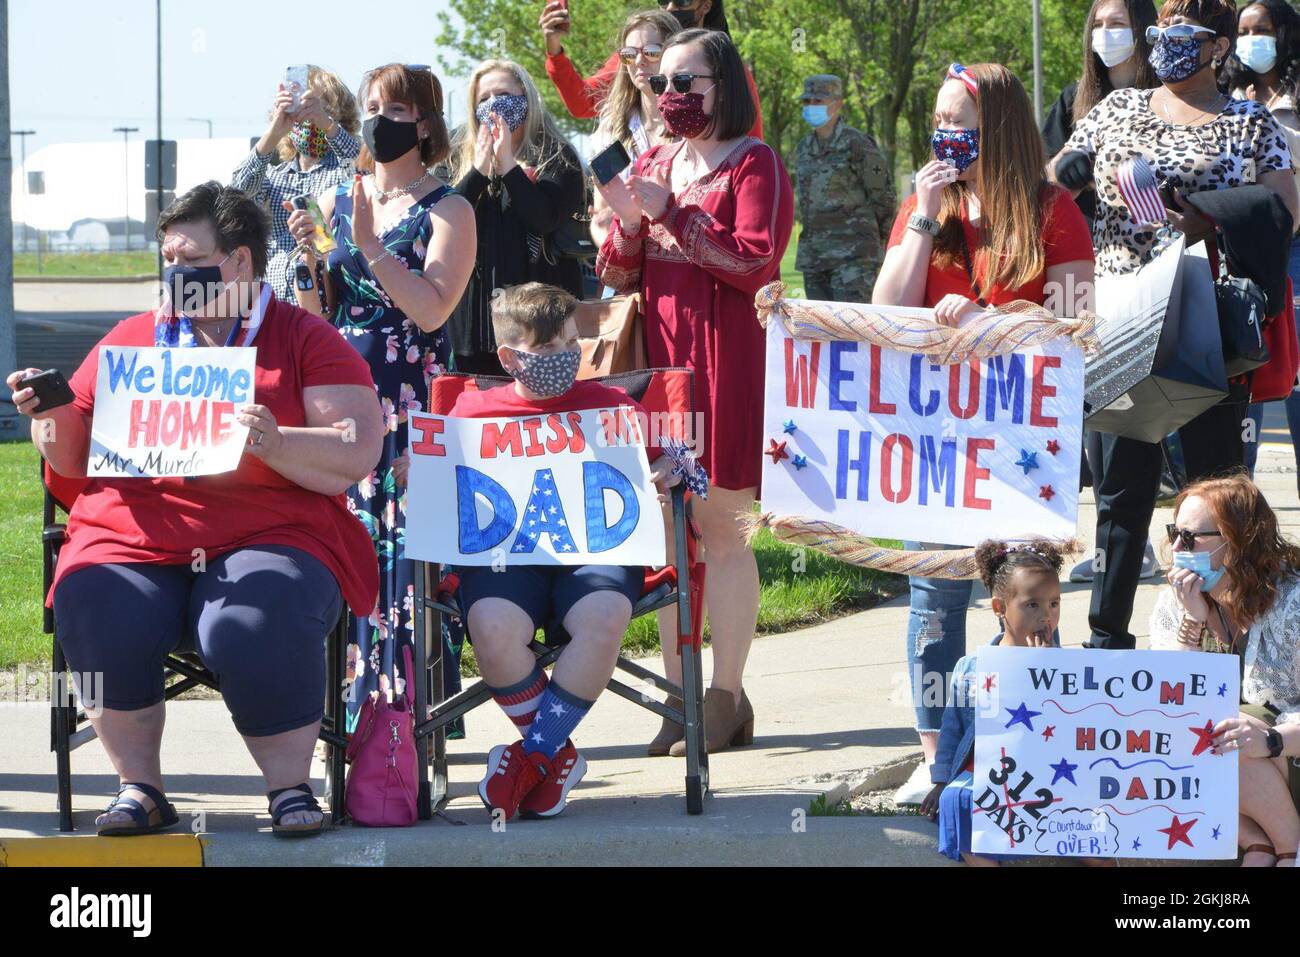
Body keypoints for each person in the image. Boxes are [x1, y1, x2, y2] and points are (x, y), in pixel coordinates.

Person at [6, 182, 383, 837]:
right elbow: (71, 457)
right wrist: (48, 414)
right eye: (167, 257)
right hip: (134, 534)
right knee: (95, 600)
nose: (174, 271)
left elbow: (357, 447)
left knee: (251, 614)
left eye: (189, 256)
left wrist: (276, 439)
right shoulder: (136, 336)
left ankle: (289, 786)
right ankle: (139, 787)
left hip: (272, 531)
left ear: (240, 261)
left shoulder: (302, 338)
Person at [872, 61, 1095, 804]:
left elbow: (1075, 329)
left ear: (996, 127)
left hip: (1020, 447)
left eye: (960, 124)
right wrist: (927, 214)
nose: (947, 136)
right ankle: (937, 758)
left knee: (1027, 590)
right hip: (936, 443)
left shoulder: (1053, 210)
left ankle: (1036, 741)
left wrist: (989, 325)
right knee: (934, 602)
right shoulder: (924, 206)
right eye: (939, 123)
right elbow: (887, 309)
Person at [1048, 0, 1300, 654]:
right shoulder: (1115, 111)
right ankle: (1106, 643)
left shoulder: (1248, 124)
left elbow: (1285, 213)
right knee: (1121, 499)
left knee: (1217, 502)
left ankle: (1224, 638)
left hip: (1204, 328)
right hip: (1121, 323)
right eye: (1159, 31)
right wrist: (1062, 186)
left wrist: (1209, 216)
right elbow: (1054, 188)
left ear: (1218, 47)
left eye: (1183, 34)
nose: (1165, 44)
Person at [595, 27, 794, 755]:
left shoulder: (755, 163)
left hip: (728, 363)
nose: (672, 95)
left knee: (721, 531)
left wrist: (671, 210)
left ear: (725, 84)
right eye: (663, 83)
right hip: (661, 370)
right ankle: (679, 698)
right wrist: (626, 219)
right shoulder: (653, 159)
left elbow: (751, 262)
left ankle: (724, 696)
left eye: (689, 82)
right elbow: (617, 272)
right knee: (673, 541)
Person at [286, 63, 476, 734]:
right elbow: (317, 314)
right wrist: (308, 266)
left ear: (423, 123)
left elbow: (430, 310)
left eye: (390, 108)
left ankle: (409, 727)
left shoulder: (450, 208)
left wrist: (368, 245)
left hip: (410, 401)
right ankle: (341, 726)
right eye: (368, 106)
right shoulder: (337, 196)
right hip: (340, 399)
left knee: (407, 561)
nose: (374, 119)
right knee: (343, 556)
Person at [453, 283, 680, 820]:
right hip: (506, 555)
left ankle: (532, 755)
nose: (567, 358)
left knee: (603, 616)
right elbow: (437, 484)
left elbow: (669, 459)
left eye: (573, 344)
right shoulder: (469, 412)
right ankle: (557, 753)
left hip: (594, 552)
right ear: (509, 357)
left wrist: (668, 470)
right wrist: (420, 471)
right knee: (490, 625)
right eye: (550, 349)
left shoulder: (612, 405)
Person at [1041, 0, 1163, 585]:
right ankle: (1117, 547)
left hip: (1159, 276)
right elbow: (1043, 174)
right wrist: (1064, 174)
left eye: (1119, 22)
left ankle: (1189, 536)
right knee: (1099, 417)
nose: (1108, 33)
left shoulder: (1170, 94)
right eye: (1100, 23)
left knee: (1161, 415)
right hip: (1084, 279)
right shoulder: (1072, 102)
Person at [1147, 474, 1300, 866]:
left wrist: (1272, 739)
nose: (1179, 547)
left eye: (1193, 537)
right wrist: (1193, 622)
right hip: (1226, 774)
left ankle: (1288, 848)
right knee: (1193, 727)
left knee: (1241, 721)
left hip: (1287, 756)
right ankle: (1261, 844)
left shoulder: (1293, 605)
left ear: (1237, 542)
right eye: (1174, 532)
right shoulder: (1174, 604)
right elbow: (1168, 707)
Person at [919, 539, 1068, 866]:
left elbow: (1064, 730)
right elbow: (952, 731)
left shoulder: (1066, 669)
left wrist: (1047, 673)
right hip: (986, 773)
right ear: (1000, 608)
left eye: (1054, 604)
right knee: (958, 799)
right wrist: (941, 781)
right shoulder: (971, 668)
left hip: (1043, 775)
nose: (1046, 616)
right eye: (1032, 605)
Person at [443, 59, 586, 377]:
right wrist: (479, 172)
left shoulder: (556, 154)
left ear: (525, 97)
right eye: (484, 98)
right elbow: (444, 219)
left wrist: (508, 166)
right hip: (473, 325)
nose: (494, 104)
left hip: (540, 327)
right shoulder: (455, 153)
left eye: (504, 93)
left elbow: (544, 219)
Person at [1224, 1, 1300, 483]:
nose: (1254, 39)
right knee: (1243, 379)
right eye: (1244, 31)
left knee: (1294, 385)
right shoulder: (1220, 95)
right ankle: (1235, 511)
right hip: (1238, 254)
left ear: (1285, 35)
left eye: (1264, 30)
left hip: (1293, 252)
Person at [539, 0, 764, 139]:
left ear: (705, 5)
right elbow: (583, 104)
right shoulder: (637, 56)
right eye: (663, 0)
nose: (670, 8)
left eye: (681, 1)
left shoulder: (727, 66)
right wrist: (555, 50)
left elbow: (750, 139)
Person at [231, 65, 361, 304]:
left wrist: (326, 123)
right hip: (278, 302)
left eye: (317, 105)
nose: (307, 115)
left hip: (332, 302)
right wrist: (274, 132)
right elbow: (237, 195)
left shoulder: (344, 168)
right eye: (300, 105)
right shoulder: (274, 175)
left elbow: (366, 169)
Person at [795, 74, 897, 304]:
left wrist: (880, 239)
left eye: (818, 101)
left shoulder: (857, 144)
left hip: (855, 258)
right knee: (819, 333)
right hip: (815, 258)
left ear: (838, 103)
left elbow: (884, 197)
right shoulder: (803, 148)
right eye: (807, 102)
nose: (811, 107)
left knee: (852, 332)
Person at [588, 9, 683, 251]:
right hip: (627, 259)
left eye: (652, 52)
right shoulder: (611, 127)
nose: (639, 61)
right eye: (629, 54)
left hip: (681, 255)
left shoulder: (694, 124)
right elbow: (602, 215)